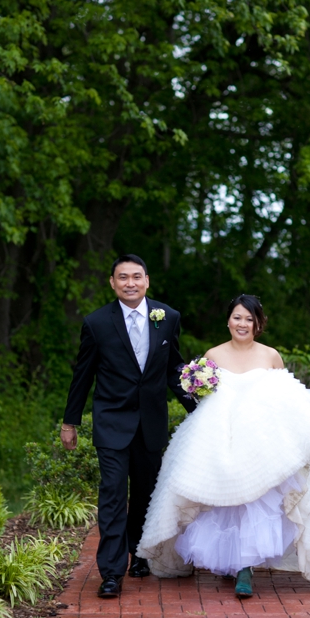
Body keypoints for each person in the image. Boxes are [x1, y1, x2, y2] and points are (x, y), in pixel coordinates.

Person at [136, 294, 310, 598]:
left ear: (258, 323)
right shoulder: (212, 355)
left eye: (249, 319)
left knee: (254, 503)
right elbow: (202, 399)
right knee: (219, 501)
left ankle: (244, 569)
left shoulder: (270, 356)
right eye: (237, 317)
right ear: (228, 320)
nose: (242, 324)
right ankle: (231, 561)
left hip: (259, 443)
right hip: (219, 439)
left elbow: (285, 402)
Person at [61, 254, 195, 598]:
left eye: (137, 276)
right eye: (123, 277)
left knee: (145, 494)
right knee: (112, 494)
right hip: (111, 422)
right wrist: (70, 421)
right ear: (112, 282)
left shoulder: (167, 317)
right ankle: (110, 571)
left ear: (147, 280)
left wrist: (196, 407)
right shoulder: (97, 323)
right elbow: (83, 375)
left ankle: (139, 555)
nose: (130, 283)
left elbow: (172, 368)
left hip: (150, 423)